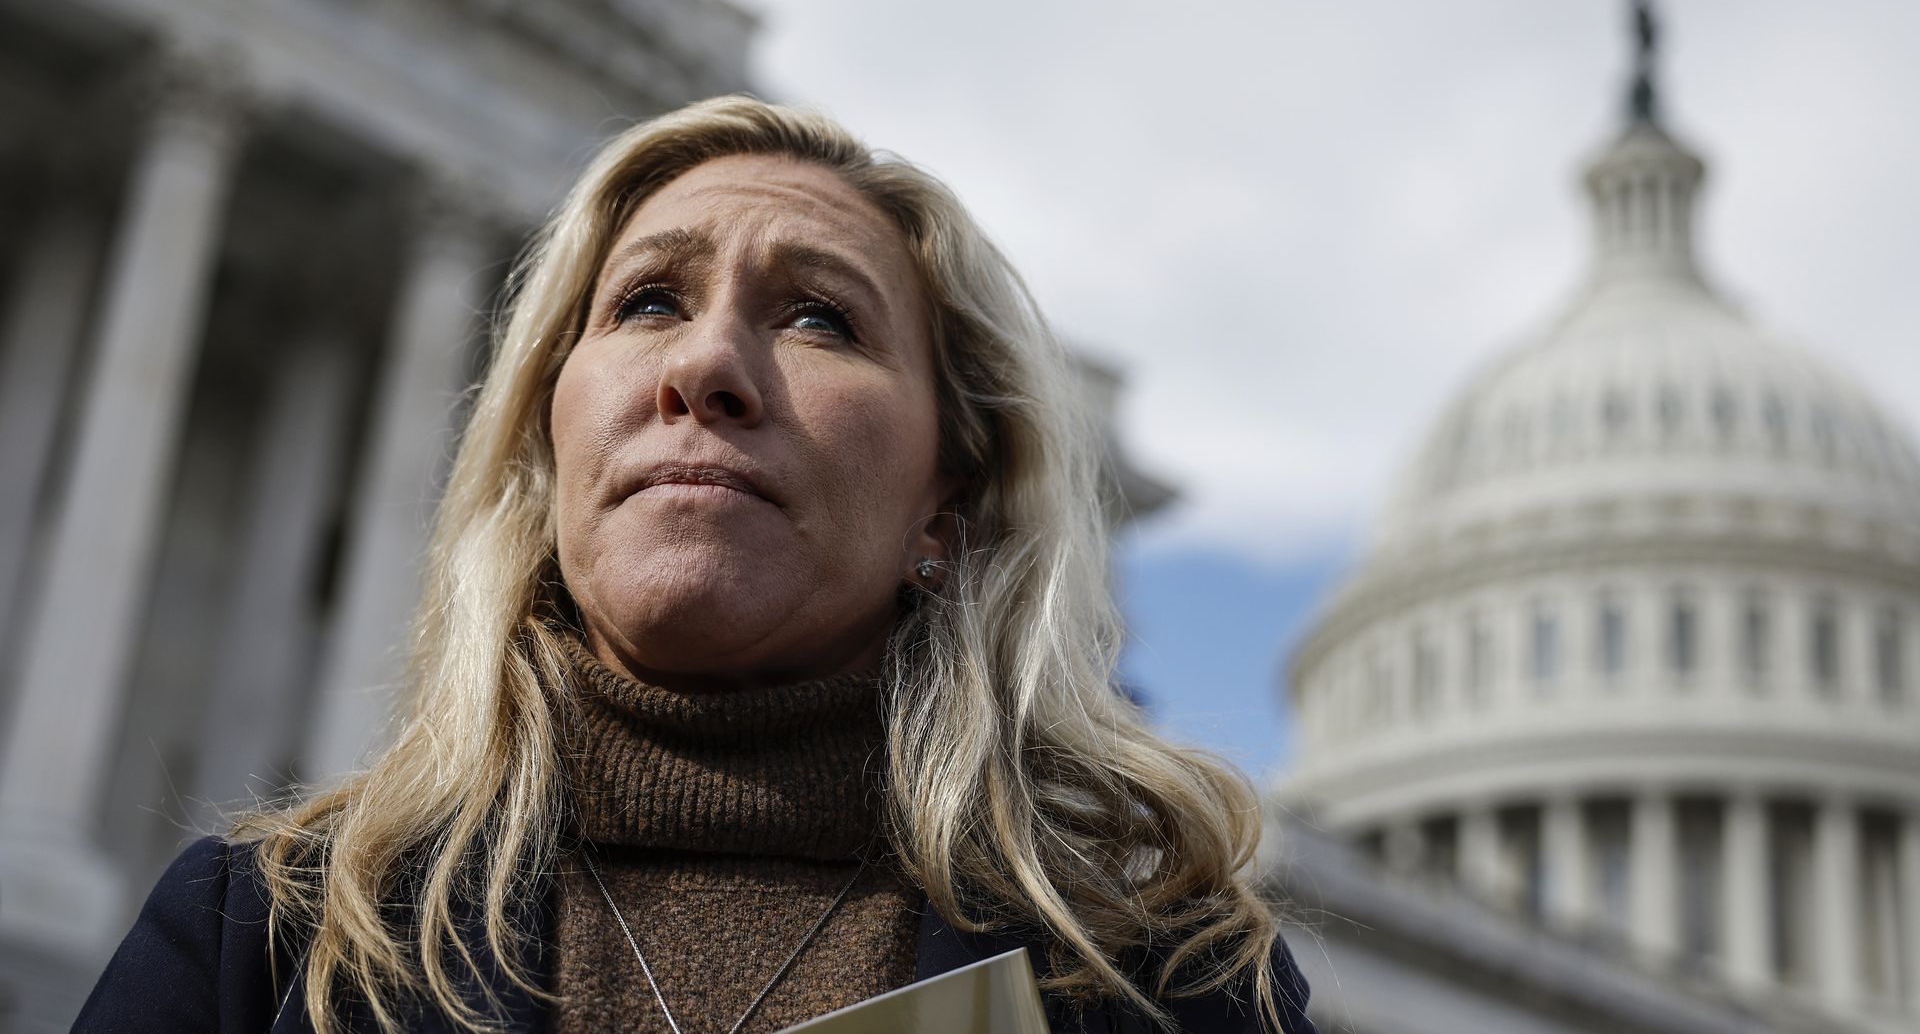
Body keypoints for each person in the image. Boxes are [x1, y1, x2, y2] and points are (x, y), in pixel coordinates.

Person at [74, 96, 1318, 1034]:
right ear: (550, 445)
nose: (705, 364)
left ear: (947, 508)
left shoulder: (1157, 983)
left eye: (820, 316)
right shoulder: (262, 941)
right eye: (647, 303)